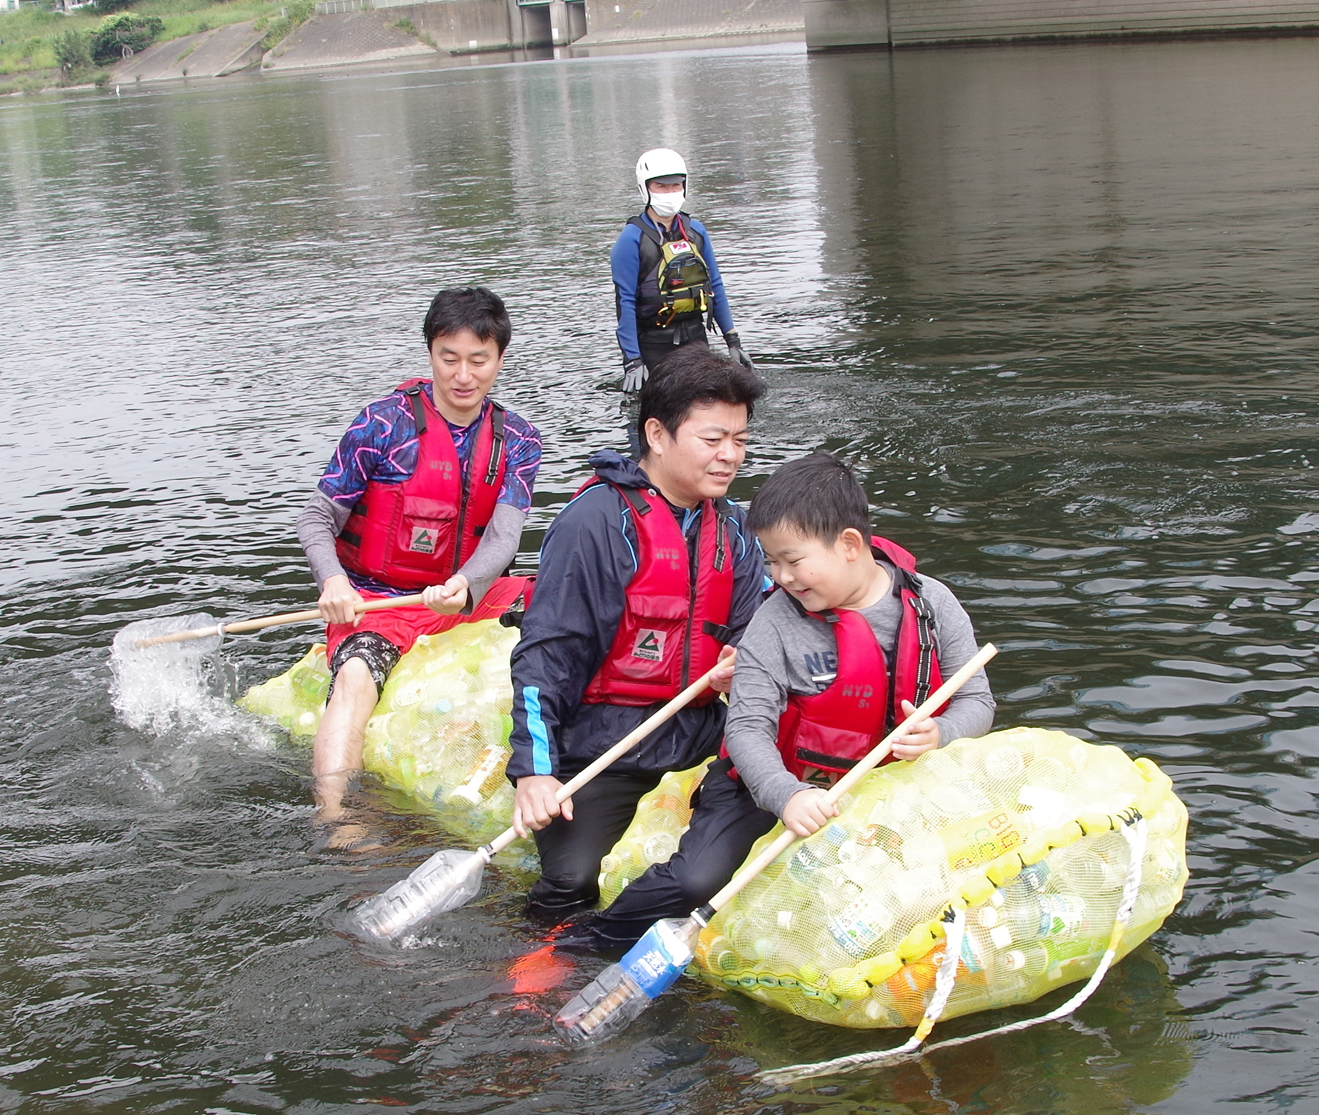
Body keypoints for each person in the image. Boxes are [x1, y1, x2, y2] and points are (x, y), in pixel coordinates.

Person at [574, 452, 994, 953]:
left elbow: (976, 700)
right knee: (695, 881)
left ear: (850, 545)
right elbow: (747, 729)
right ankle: (584, 941)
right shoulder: (773, 621)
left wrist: (941, 733)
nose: (783, 576)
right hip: (766, 785)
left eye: (792, 560)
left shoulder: (934, 606)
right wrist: (787, 795)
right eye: (771, 561)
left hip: (883, 788)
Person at [507, 349, 769, 934]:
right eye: (713, 438)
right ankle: (547, 963)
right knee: (570, 881)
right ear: (656, 433)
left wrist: (741, 660)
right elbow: (545, 655)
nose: (730, 455)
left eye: (740, 439)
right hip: (604, 741)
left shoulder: (735, 529)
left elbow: (761, 629)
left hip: (700, 725)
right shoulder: (596, 523)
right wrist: (535, 771)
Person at [301, 287, 543, 815]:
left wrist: (465, 585)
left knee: (568, 599)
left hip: (464, 596)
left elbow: (504, 537)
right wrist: (333, 582)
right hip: (376, 602)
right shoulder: (381, 426)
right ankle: (335, 816)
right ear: (430, 354)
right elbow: (317, 518)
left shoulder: (519, 439)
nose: (464, 375)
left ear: (500, 358)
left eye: (479, 360)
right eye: (448, 358)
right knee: (356, 679)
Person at [613, 147, 752, 402]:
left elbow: (715, 286)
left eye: (676, 186)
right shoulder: (631, 240)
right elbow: (625, 303)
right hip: (654, 345)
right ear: (646, 189)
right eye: (662, 187)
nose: (671, 193)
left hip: (695, 340)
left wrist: (733, 341)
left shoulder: (696, 232)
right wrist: (632, 360)